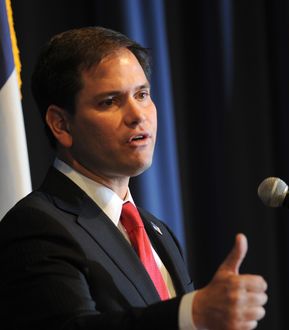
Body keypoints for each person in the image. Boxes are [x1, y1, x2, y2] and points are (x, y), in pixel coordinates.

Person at [0, 26, 267, 329]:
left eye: (142, 94)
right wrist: (191, 313)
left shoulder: (158, 232)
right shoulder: (35, 226)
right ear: (61, 124)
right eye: (110, 101)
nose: (137, 114)